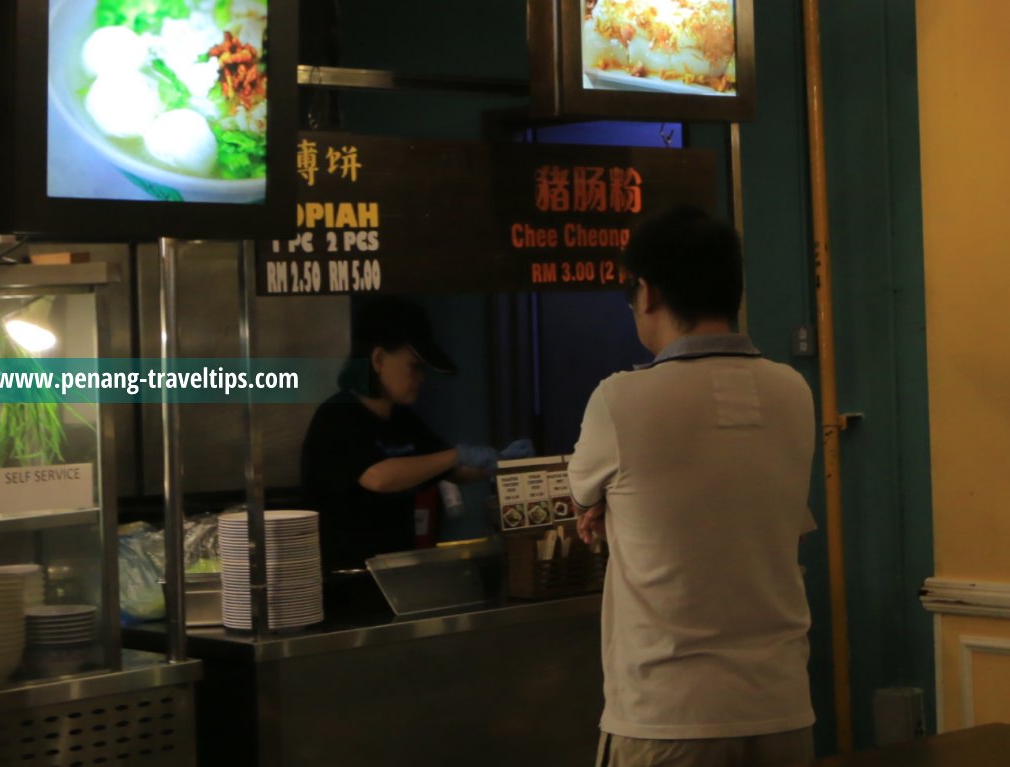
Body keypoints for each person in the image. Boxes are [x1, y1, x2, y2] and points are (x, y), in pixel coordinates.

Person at [567, 206, 817, 767]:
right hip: (781, 708)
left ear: (647, 293)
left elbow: (583, 495)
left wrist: (603, 505)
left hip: (668, 715)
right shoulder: (793, 392)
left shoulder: (621, 400)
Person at [301, 295, 531, 571]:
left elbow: (449, 469)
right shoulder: (337, 415)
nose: (420, 377)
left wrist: (497, 464)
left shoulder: (403, 419)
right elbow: (378, 477)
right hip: (346, 578)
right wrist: (456, 454)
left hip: (394, 570)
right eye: (415, 365)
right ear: (378, 359)